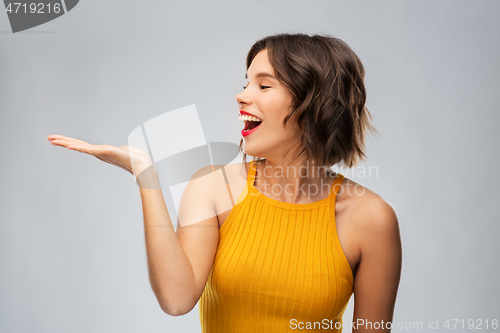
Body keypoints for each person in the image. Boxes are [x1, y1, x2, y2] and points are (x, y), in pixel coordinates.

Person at [47, 33, 402, 332]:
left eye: (264, 85)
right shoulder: (213, 188)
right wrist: (147, 176)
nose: (242, 95)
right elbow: (176, 298)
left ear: (314, 104)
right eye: (246, 83)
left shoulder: (371, 219)